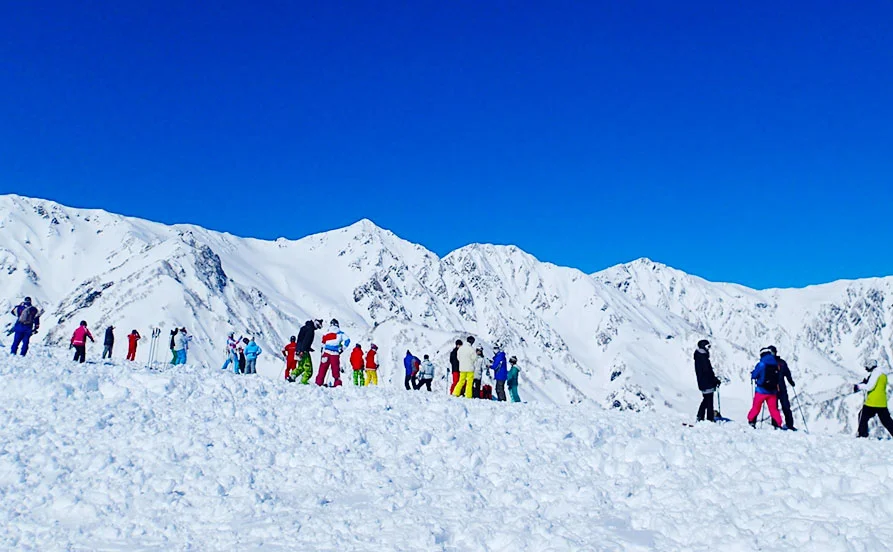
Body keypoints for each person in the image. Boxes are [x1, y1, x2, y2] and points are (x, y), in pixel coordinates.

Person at [855, 359, 893, 438]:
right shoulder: (883, 374)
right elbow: (877, 385)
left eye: (867, 366)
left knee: (863, 417)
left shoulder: (876, 373)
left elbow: (870, 387)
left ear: (870, 365)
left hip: (872, 401)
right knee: (887, 421)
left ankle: (862, 435)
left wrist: (859, 386)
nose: (866, 368)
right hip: (882, 402)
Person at [747, 347, 784, 428]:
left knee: (756, 407)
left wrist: (753, 373)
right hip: (772, 391)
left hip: (761, 391)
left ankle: (751, 421)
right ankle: (778, 424)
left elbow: (754, 375)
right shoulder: (776, 364)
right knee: (773, 409)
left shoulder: (761, 364)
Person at [767, 346, 796, 430]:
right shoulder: (782, 362)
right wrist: (791, 381)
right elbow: (787, 373)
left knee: (776, 408)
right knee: (784, 407)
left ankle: (777, 425)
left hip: (773, 389)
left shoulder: (768, 363)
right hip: (780, 388)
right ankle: (788, 425)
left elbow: (787, 373)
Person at [316, 319, 350, 387]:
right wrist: (342, 349)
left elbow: (323, 343)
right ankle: (337, 384)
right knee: (335, 370)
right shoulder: (340, 333)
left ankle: (318, 383)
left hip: (326, 353)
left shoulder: (327, 333)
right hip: (335, 354)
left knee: (322, 369)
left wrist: (323, 351)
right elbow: (347, 340)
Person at [694, 339, 721, 422]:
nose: (709, 348)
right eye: (708, 346)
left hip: (703, 382)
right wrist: (715, 380)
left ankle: (700, 416)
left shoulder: (700, 356)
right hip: (707, 382)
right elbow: (708, 371)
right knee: (709, 401)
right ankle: (709, 418)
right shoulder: (703, 357)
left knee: (706, 399)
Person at [294, 319, 322, 384]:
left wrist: (300, 349)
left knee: (300, 367)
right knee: (308, 370)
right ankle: (303, 381)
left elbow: (300, 339)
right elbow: (306, 340)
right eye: (318, 326)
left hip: (298, 349)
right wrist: (303, 350)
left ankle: (292, 376)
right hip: (303, 351)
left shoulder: (304, 327)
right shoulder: (311, 330)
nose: (317, 328)